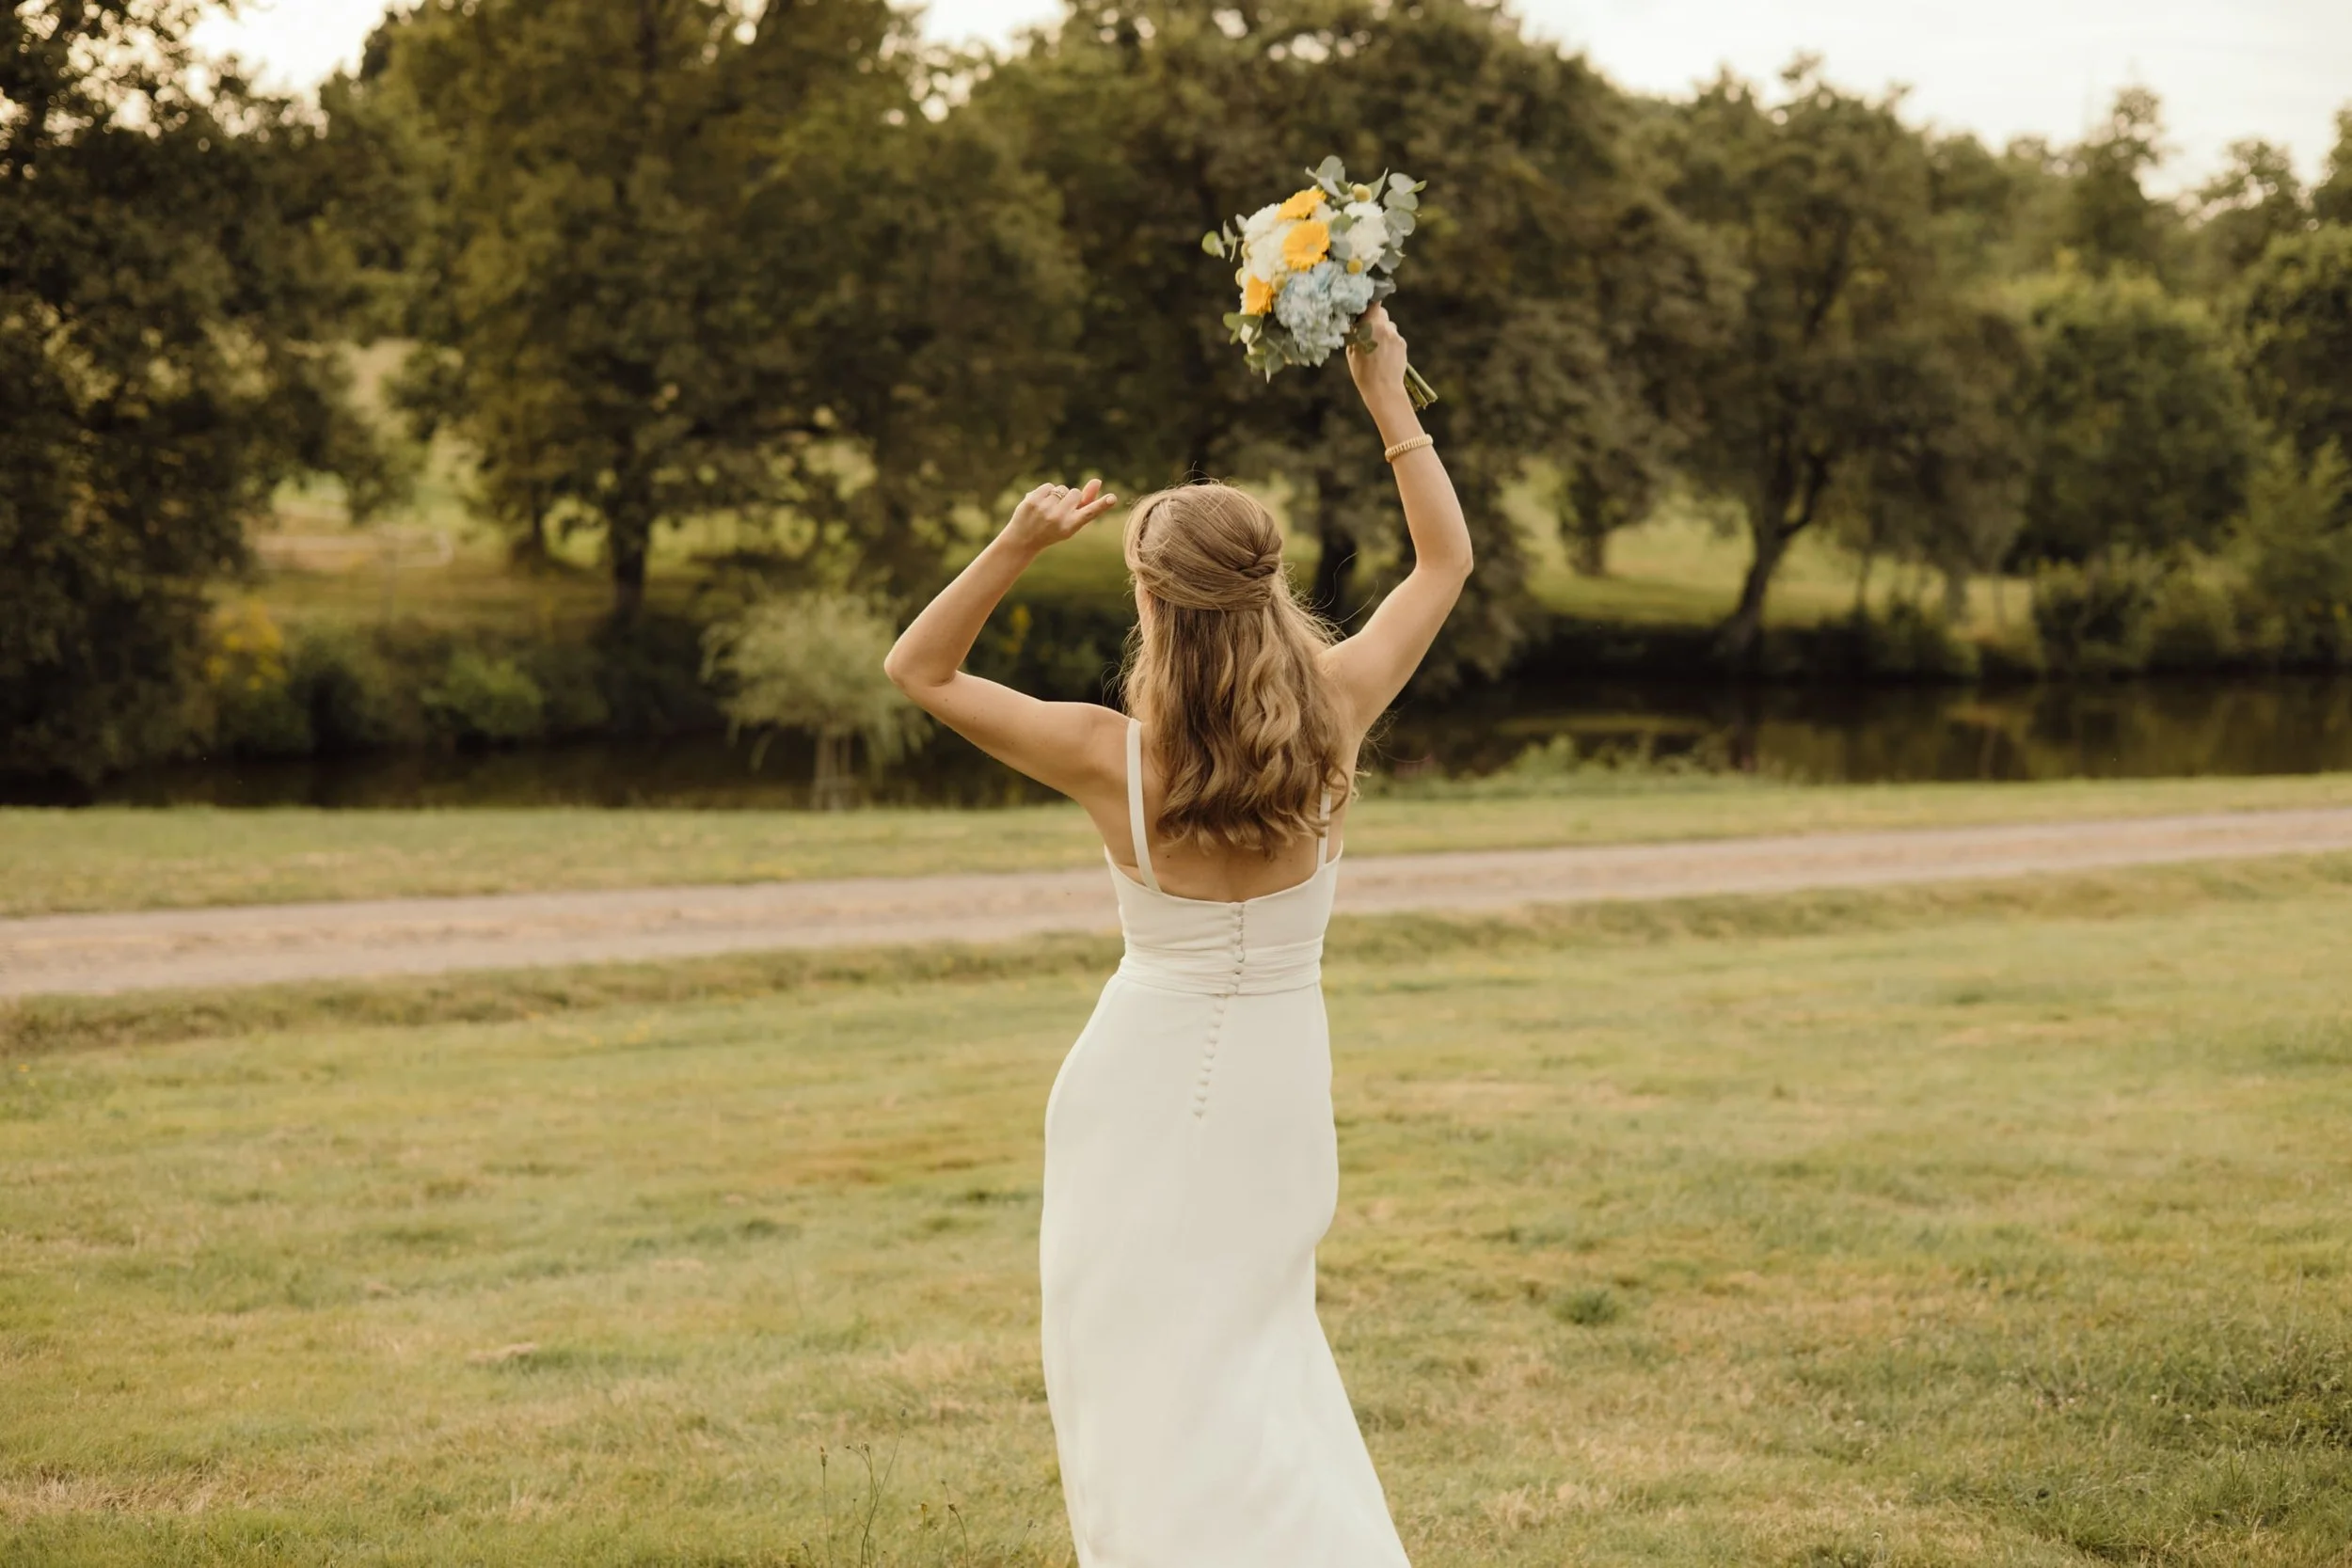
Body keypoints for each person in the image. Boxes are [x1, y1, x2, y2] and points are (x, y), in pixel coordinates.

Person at [883, 305, 1470, 1566]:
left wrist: (1015, 542)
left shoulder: (1112, 759)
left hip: (1135, 1082)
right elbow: (1442, 567)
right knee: (1258, 1356)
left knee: (1138, 1367)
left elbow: (920, 669)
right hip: (1276, 1083)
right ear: (1268, 584)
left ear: (1150, 598)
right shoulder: (1342, 710)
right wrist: (1385, 395)